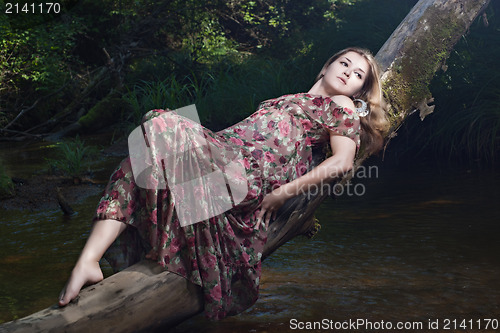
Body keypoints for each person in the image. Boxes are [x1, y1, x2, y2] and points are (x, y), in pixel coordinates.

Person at [58, 47, 389, 319]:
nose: (348, 72)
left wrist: (281, 194)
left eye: (358, 74)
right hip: (226, 159)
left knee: (158, 121)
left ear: (358, 91)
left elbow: (342, 162)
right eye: (344, 63)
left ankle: (97, 262)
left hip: (247, 177)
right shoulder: (286, 99)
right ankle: (88, 261)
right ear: (326, 66)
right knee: (139, 157)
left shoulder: (341, 106)